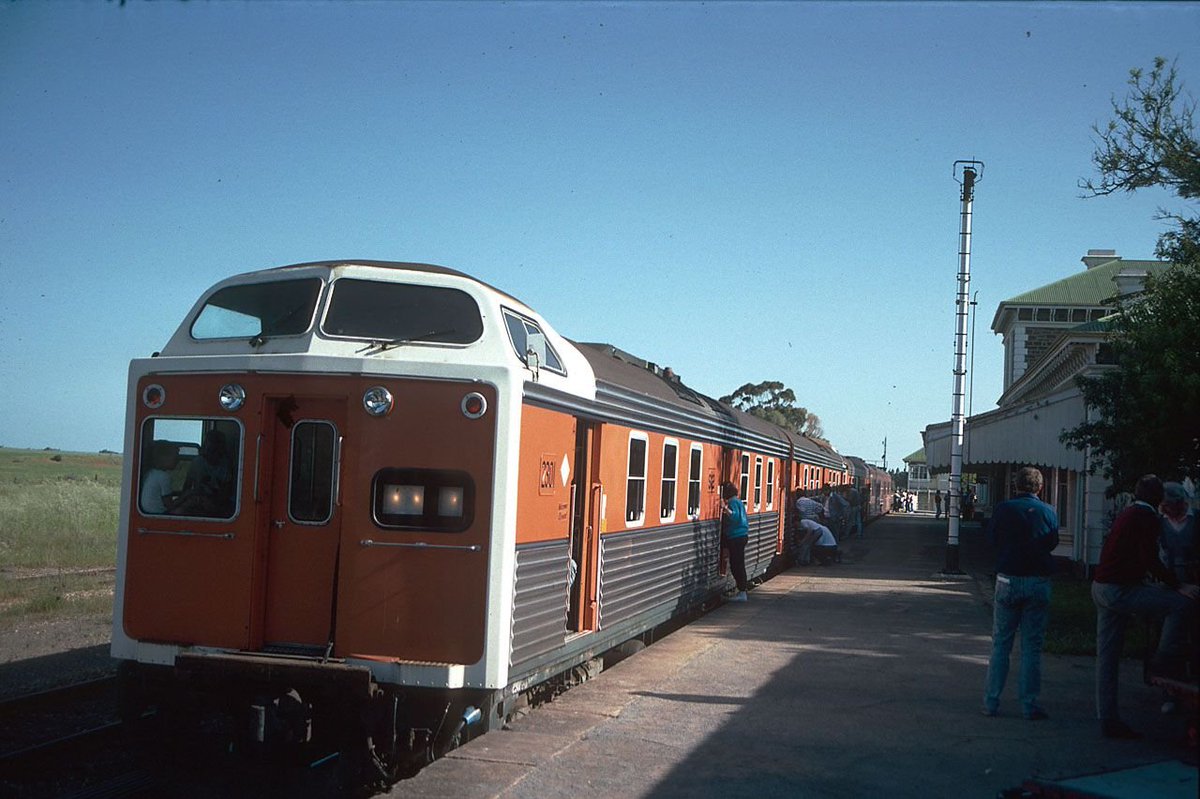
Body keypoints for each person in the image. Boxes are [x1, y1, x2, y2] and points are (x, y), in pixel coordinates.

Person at [1092, 474, 1200, 739]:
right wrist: (1179, 585)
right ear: (1157, 497)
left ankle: (1108, 717)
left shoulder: (1128, 513)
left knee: (1107, 656)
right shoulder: (1147, 518)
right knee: (1180, 604)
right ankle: (1163, 659)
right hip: (1121, 589)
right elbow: (1149, 558)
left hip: (1101, 586)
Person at [982, 466, 1059, 720]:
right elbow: (1052, 543)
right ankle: (1029, 704)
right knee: (1031, 647)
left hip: (1007, 579)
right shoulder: (1049, 511)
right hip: (1037, 581)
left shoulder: (1003, 509)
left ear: (1015, 486)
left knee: (1001, 643)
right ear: (1040, 487)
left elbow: (992, 540)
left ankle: (992, 702)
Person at [1159, 482, 1198, 584]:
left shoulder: (1197, 519)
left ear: (1180, 502)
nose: (1163, 509)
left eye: (1167, 505)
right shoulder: (1159, 522)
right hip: (1170, 582)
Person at [720, 482, 750, 602]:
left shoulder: (732, 502)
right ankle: (741, 590)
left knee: (736, 565)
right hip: (742, 535)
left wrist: (724, 508)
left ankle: (742, 592)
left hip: (736, 536)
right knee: (738, 564)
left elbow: (734, 516)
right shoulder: (738, 501)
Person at [139, 442, 179, 514]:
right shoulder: (163, 476)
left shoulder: (150, 473)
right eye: (175, 457)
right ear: (162, 458)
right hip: (159, 513)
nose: (177, 460)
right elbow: (168, 504)